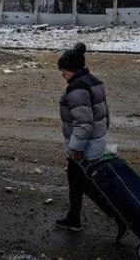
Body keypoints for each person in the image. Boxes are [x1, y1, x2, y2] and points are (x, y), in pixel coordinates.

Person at [55, 42, 110, 233]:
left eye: (63, 69)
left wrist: (76, 149)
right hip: (95, 143)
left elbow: (83, 123)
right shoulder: (94, 81)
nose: (62, 73)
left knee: (81, 183)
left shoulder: (77, 89)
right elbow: (104, 115)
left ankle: (116, 216)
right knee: (82, 183)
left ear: (72, 68)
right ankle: (74, 218)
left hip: (83, 148)